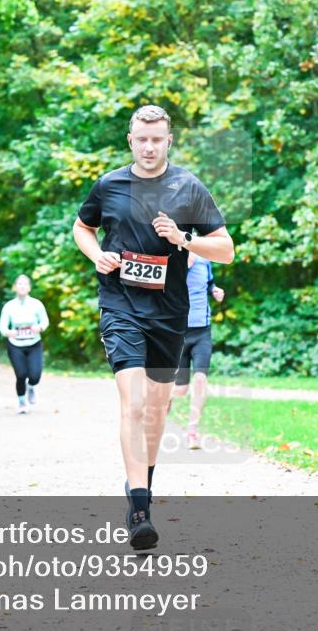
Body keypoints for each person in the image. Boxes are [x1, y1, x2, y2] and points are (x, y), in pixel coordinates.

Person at [72, 104, 234, 550]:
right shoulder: (109, 185)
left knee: (158, 409)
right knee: (133, 402)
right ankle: (140, 508)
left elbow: (226, 250)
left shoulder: (188, 187)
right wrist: (96, 255)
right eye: (141, 139)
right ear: (131, 140)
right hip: (120, 304)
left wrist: (183, 239)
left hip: (169, 313)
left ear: (168, 141)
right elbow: (82, 227)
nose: (148, 146)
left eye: (157, 139)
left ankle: (140, 481)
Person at [171, 252, 225, 448]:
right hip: (178, 332)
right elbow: (164, 287)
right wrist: (183, 264)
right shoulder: (172, 256)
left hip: (202, 331)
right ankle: (164, 397)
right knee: (180, 389)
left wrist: (215, 290)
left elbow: (209, 283)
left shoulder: (205, 258)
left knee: (201, 378)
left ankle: (192, 431)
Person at [0, 274, 49, 414]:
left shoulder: (37, 304)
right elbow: (2, 327)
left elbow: (45, 321)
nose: (22, 286)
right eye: (19, 284)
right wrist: (9, 332)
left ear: (29, 288)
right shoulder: (9, 306)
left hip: (34, 343)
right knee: (21, 374)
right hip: (15, 344)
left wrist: (40, 327)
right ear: (15, 287)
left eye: (25, 284)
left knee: (35, 375)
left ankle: (31, 387)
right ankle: (22, 402)